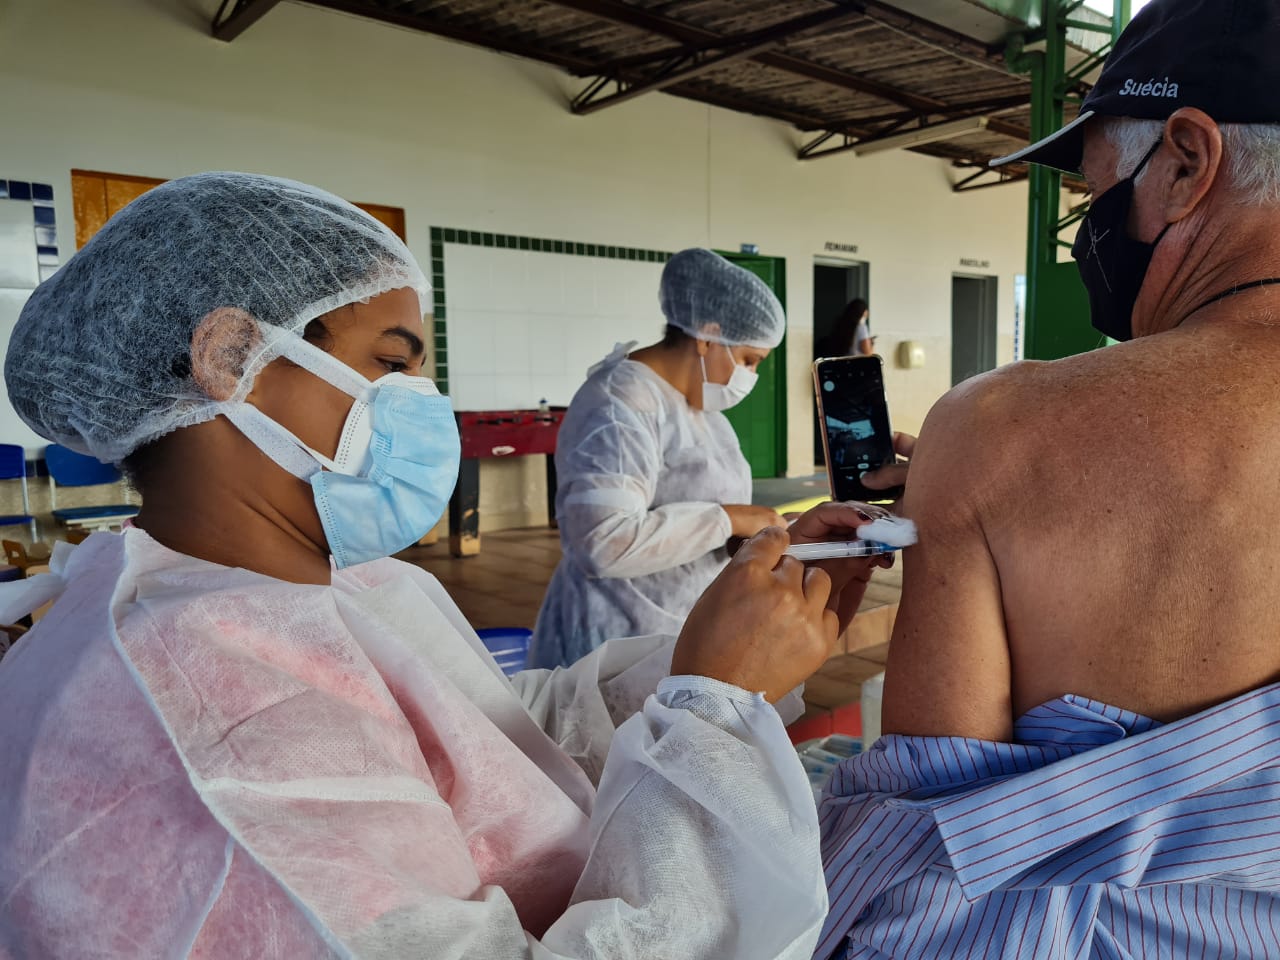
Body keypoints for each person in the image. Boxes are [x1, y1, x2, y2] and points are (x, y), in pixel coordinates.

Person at [0, 172, 890, 959]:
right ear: (232, 359)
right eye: (389, 364)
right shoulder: (211, 733)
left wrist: (710, 662)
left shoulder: (339, 587)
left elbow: (493, 738)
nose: (421, 406)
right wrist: (713, 709)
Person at [816, 2, 1280, 955]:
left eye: (1097, 192)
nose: (1088, 234)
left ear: (1186, 162)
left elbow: (928, 858)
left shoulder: (1000, 430)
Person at [529, 248, 787, 669]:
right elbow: (602, 543)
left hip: (678, 627)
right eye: (748, 360)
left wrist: (751, 535)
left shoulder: (702, 413)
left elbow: (698, 520)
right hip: (612, 638)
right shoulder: (619, 402)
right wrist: (729, 520)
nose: (750, 376)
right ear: (707, 336)